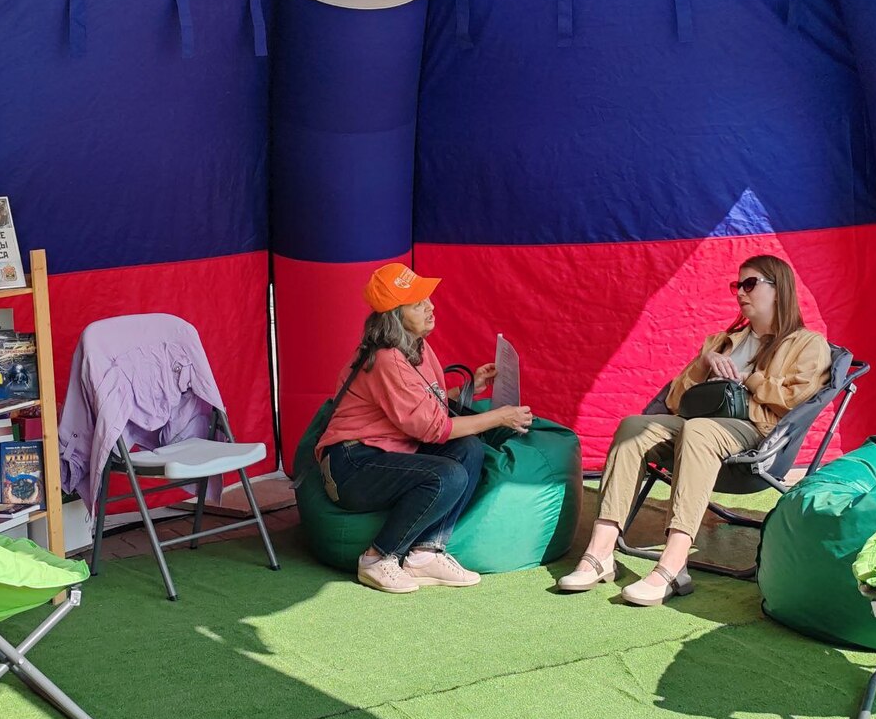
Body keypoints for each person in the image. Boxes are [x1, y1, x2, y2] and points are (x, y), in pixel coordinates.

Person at [558, 255, 831, 605]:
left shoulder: (808, 344)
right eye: (737, 285)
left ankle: (674, 565)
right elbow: (675, 400)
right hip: (697, 426)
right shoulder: (723, 341)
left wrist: (748, 378)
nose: (740, 293)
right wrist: (704, 364)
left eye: (750, 284)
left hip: (756, 434)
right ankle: (600, 552)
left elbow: (797, 400)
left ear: (779, 289)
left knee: (699, 430)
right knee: (634, 427)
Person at [316, 263, 534, 594]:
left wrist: (470, 387)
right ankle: (377, 558)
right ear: (395, 316)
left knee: (469, 448)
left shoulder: (415, 346)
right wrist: (499, 417)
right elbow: (433, 429)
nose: (431, 307)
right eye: (418, 304)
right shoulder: (387, 358)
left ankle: (425, 553)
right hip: (351, 464)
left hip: (387, 449)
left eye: (427, 299)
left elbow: (420, 404)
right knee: (446, 475)